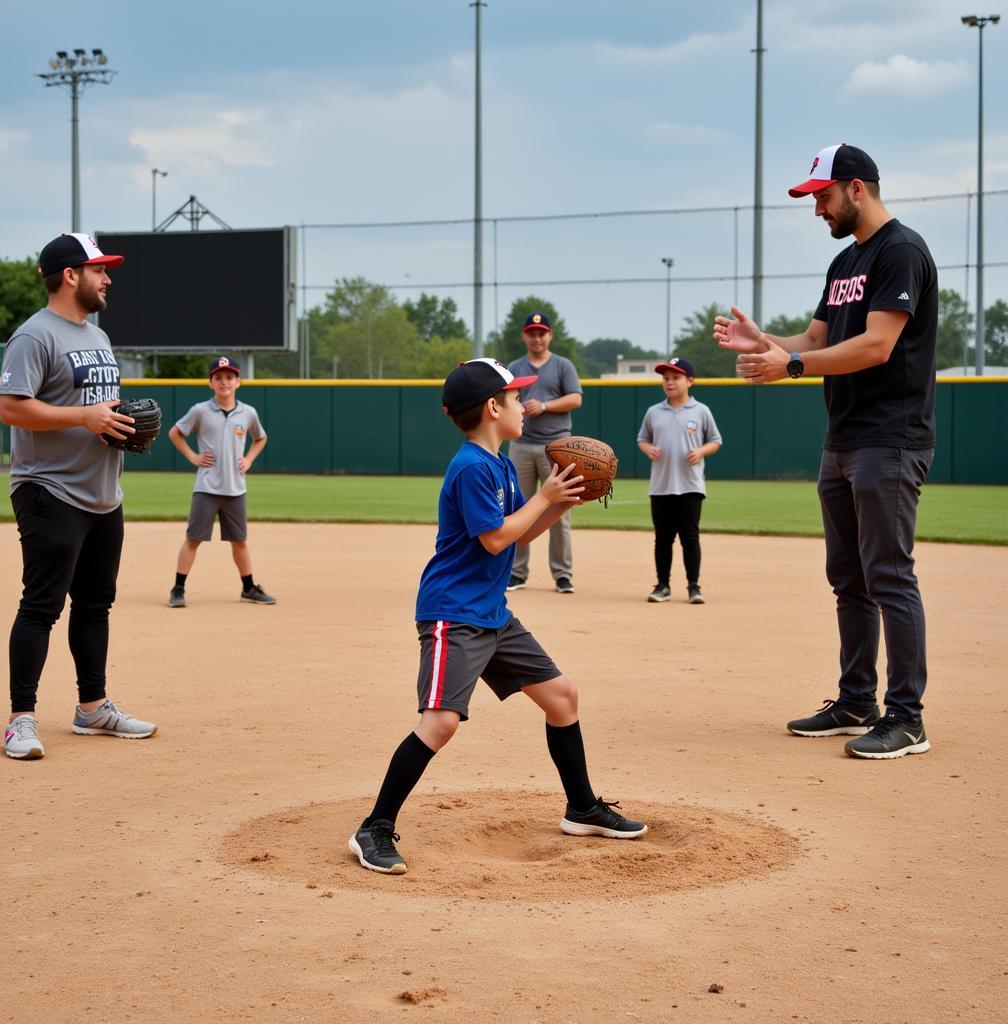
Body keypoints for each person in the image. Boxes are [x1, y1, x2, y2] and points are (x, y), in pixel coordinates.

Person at [348, 357, 647, 874]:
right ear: (492, 407)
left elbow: (521, 531)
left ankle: (582, 808)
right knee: (440, 723)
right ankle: (372, 828)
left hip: (490, 612)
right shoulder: (469, 466)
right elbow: (494, 539)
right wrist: (545, 496)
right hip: (454, 614)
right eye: (514, 398)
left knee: (562, 697)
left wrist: (558, 502)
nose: (523, 406)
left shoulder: (501, 464)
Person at [714, 144, 938, 760]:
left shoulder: (901, 251)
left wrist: (789, 364)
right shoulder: (846, 264)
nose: (816, 207)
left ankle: (908, 717)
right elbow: (815, 339)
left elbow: (876, 346)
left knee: (889, 575)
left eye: (822, 194)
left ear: (857, 188)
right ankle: (857, 700)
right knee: (849, 579)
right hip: (843, 439)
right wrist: (762, 340)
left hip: (889, 438)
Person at [0, 233, 158, 760]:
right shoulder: (34, 336)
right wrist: (83, 417)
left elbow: (95, 407)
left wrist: (117, 424)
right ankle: (21, 719)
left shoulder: (98, 334)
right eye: (99, 270)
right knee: (41, 605)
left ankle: (92, 707)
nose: (107, 278)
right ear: (71, 275)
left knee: (95, 603)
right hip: (50, 488)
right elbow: (12, 408)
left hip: (102, 492)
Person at [166, 356, 275, 607]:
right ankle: (178, 588)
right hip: (207, 487)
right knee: (193, 538)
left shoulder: (248, 413)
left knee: (240, 540)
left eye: (229, 377)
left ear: (238, 382)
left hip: (236, 488)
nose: (224, 382)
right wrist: (193, 456)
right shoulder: (200, 411)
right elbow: (175, 433)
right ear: (210, 383)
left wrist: (249, 459)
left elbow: (261, 438)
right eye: (218, 378)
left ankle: (248, 588)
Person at [506, 311, 583, 594]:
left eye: (541, 333)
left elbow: (576, 398)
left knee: (559, 512)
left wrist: (545, 406)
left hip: (557, 447)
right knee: (518, 510)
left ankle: (562, 574)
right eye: (532, 333)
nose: (537, 338)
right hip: (522, 445)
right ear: (524, 336)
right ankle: (516, 572)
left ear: (550, 335)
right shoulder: (515, 366)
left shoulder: (563, 365)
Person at [637, 357, 722, 605]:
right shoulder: (654, 412)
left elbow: (715, 440)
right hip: (661, 485)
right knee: (662, 538)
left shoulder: (701, 411)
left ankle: (694, 586)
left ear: (690, 381)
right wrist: (648, 448)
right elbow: (642, 438)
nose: (670, 382)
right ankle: (662, 585)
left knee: (690, 537)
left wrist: (701, 451)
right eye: (666, 378)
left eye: (676, 377)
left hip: (690, 485)